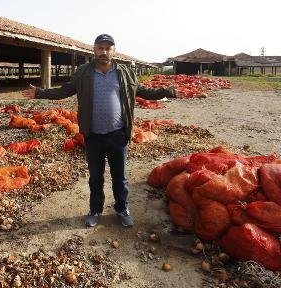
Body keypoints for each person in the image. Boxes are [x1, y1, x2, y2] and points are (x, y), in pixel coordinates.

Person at [22, 34, 176, 228]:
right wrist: (40, 93)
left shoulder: (125, 73)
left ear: (114, 50)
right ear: (94, 50)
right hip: (93, 135)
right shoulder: (84, 72)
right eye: (100, 48)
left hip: (118, 134)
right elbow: (65, 90)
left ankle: (122, 209)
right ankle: (95, 210)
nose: (104, 52)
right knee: (95, 177)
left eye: (108, 48)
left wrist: (166, 91)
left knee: (120, 177)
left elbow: (144, 91)